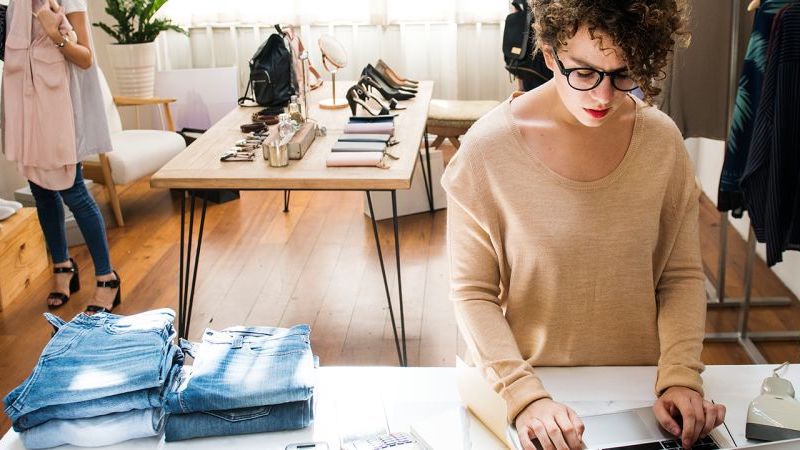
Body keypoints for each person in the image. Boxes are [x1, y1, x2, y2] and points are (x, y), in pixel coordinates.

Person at [441, 1, 726, 449]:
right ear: (551, 54)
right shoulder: (485, 152)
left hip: (645, 391)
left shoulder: (662, 142)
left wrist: (680, 376)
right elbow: (472, 292)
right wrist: (523, 396)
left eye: (623, 73)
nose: (604, 96)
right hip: (538, 392)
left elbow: (680, 275)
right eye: (585, 72)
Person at [2, 0, 121, 313]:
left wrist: (54, 32)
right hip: (27, 106)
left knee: (74, 192)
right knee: (41, 193)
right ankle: (62, 267)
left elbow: (85, 58)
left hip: (59, 109)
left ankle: (107, 277)